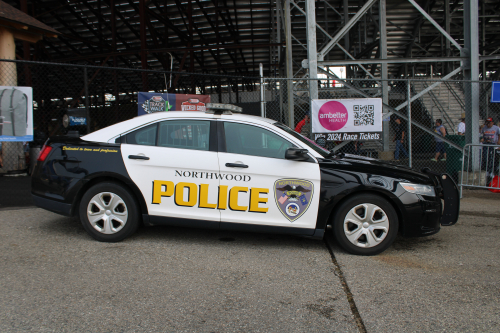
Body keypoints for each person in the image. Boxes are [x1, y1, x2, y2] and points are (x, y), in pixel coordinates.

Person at [480, 117, 500, 183]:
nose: (488, 124)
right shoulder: (484, 128)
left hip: (493, 144)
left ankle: (491, 172)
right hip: (486, 144)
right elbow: (481, 134)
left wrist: (499, 141)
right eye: (487, 122)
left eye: (489, 122)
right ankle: (487, 171)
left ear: (492, 123)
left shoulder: (496, 128)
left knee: (492, 158)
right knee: (486, 158)